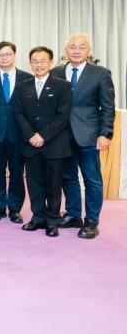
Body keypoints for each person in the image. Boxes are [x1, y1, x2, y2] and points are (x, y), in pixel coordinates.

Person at [51, 33, 115, 239]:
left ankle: (92, 221)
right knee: (68, 177)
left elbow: (107, 107)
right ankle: (73, 215)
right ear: (65, 50)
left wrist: (105, 134)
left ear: (89, 51)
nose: (77, 51)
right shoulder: (55, 72)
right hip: (61, 136)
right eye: (72, 47)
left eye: (82, 47)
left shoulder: (101, 73)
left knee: (92, 180)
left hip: (89, 136)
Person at [14, 46, 72, 237]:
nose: (38, 64)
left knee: (53, 186)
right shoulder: (23, 86)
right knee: (34, 184)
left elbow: (62, 116)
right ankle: (37, 218)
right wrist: (31, 135)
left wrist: (43, 136)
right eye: (35, 61)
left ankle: (52, 221)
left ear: (51, 63)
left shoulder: (62, 86)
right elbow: (19, 113)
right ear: (30, 64)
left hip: (54, 145)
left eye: (42, 61)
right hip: (30, 145)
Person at [0, 41, 32, 224]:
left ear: (14, 55)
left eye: (7, 54)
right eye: (0, 55)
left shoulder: (27, 78)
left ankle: (15, 209)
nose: (4, 58)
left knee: (17, 174)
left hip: (19, 135)